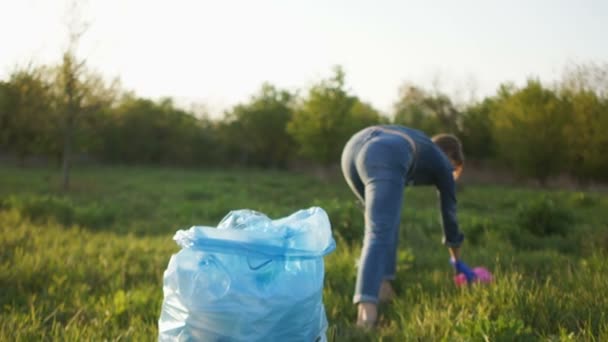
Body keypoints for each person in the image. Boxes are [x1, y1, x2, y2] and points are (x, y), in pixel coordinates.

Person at [340, 125, 476, 328]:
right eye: (454, 168)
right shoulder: (441, 160)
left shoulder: (421, 143)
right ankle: (366, 317)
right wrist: (456, 261)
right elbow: (450, 215)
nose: (451, 174)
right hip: (385, 153)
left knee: (384, 223)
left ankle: (384, 289)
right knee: (379, 231)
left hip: (352, 149)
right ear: (451, 156)